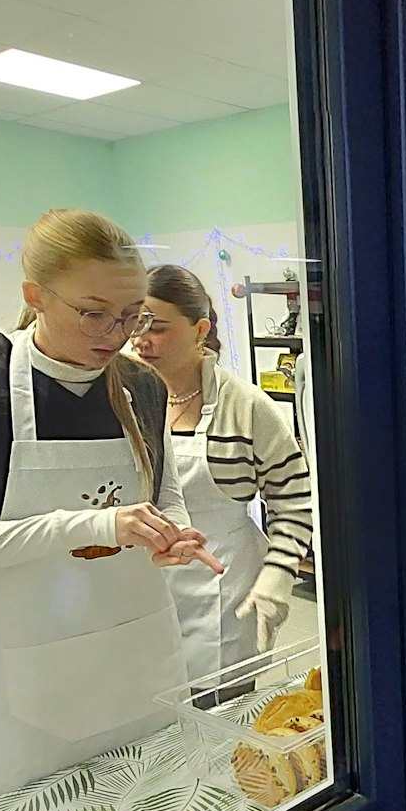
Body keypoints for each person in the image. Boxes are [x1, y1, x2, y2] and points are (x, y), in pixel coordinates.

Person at [0, 209, 207, 811]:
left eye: (130, 316)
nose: (115, 335)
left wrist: (172, 534)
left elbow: (164, 496)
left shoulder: (142, 387)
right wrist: (90, 525)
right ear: (34, 295)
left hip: (132, 659)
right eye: (93, 313)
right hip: (16, 681)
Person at [131, 265, 313, 687]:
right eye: (134, 323)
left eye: (156, 327)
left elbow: (295, 500)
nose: (141, 338)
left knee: (220, 712)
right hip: (142, 583)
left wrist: (278, 576)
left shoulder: (245, 405)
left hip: (223, 586)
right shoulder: (124, 396)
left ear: (200, 329)